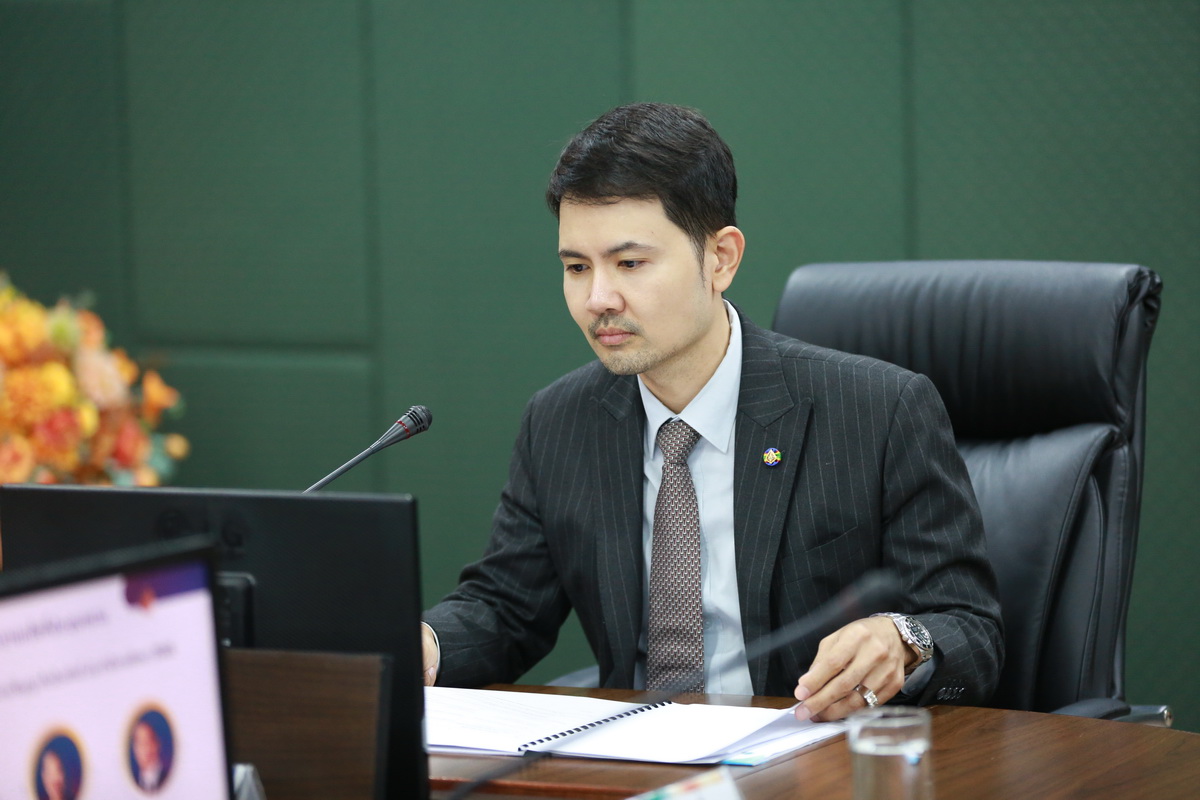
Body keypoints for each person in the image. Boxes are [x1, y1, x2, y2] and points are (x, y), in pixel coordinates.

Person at [421, 102, 1002, 721]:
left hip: (808, 751)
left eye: (629, 263)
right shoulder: (561, 421)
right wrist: (423, 646)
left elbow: (970, 630)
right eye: (576, 267)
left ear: (721, 258)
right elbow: (506, 608)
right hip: (629, 753)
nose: (598, 298)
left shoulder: (877, 411)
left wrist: (904, 642)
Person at [130, 719, 169, 792]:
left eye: (148, 741)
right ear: (134, 748)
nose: (145, 748)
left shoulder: (168, 779)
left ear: (157, 744)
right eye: (140, 743)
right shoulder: (132, 783)